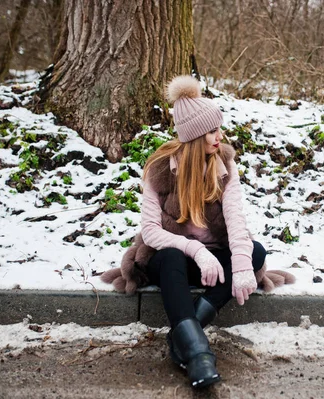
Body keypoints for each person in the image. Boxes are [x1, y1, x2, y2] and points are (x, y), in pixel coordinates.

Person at [101, 75, 294, 389]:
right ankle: (198, 353)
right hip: (170, 261)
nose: (220, 137)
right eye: (212, 131)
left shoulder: (225, 167)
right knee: (173, 256)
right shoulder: (160, 169)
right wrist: (197, 250)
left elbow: (236, 222)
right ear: (193, 136)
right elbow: (150, 231)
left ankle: (183, 338)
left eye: (219, 129)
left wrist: (243, 265)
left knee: (255, 252)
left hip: (212, 267)